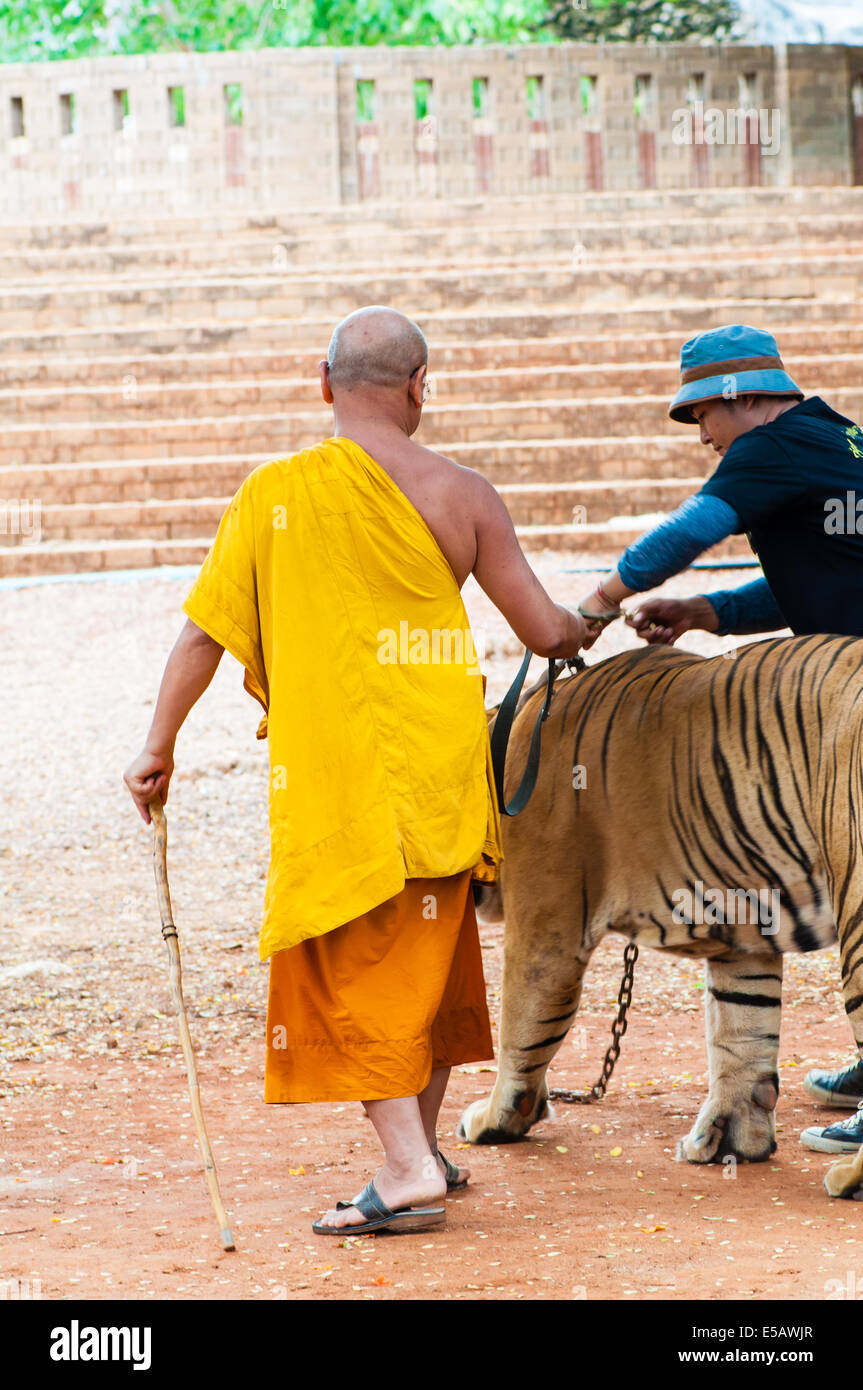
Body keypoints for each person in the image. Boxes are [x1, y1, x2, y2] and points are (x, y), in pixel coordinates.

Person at [124, 305, 586, 1235]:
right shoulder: (465, 494)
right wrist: (586, 626)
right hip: (442, 775)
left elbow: (203, 633)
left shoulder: (277, 493)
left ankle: (408, 1168)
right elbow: (543, 631)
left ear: (322, 381)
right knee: (428, 964)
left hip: (336, 783)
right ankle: (422, 1153)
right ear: (420, 387)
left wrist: (157, 744)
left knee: (345, 969)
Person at [574, 323, 863, 1155]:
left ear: (739, 396)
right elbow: (815, 579)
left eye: (702, 414)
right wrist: (707, 613)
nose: (701, 437)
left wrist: (594, 604)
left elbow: (686, 532)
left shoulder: (768, 448)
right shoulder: (833, 433)